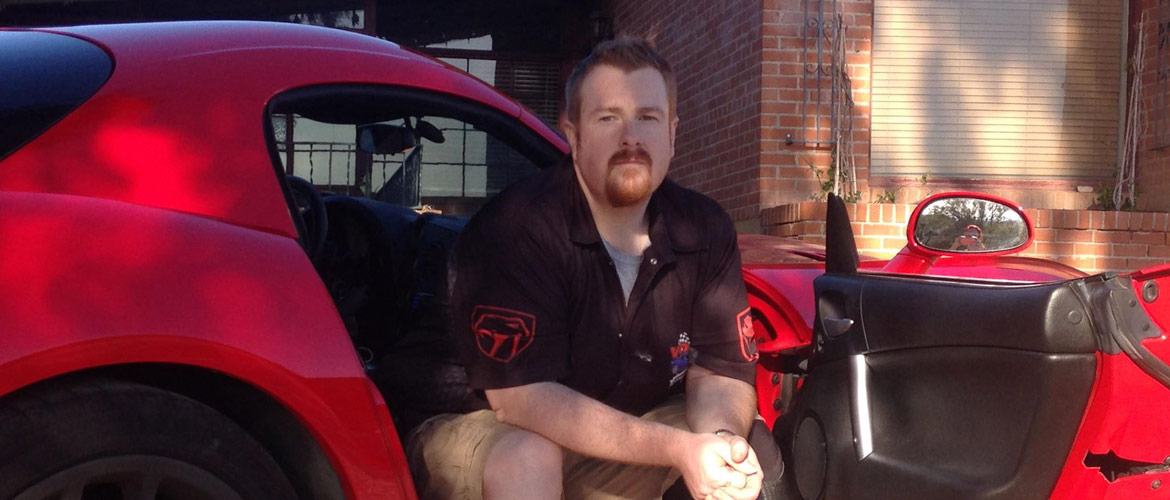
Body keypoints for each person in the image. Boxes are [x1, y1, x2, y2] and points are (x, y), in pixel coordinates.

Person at [407, 37, 773, 500]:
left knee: (741, 456)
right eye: (608, 117)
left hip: (625, 427)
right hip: (487, 426)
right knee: (529, 457)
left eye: (648, 117)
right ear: (572, 132)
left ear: (673, 133)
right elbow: (522, 400)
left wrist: (718, 445)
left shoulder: (704, 228)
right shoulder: (518, 226)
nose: (631, 137)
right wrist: (679, 448)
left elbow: (720, 372)